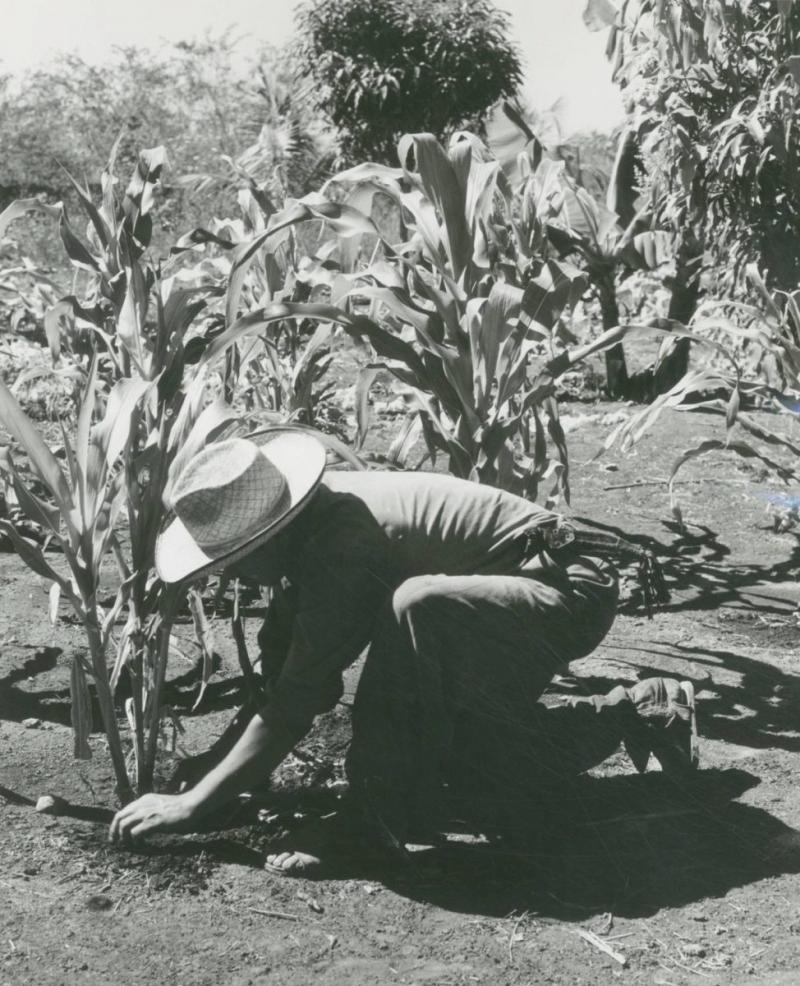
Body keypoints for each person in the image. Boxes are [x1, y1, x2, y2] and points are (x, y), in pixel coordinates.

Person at [109, 432, 698, 873]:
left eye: (234, 557)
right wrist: (216, 774)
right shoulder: (308, 540)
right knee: (472, 776)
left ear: (270, 536)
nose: (230, 572)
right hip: (492, 607)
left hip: (566, 592)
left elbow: (298, 701)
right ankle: (645, 710)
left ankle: (368, 825)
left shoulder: (338, 547)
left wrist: (194, 805)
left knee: (414, 606)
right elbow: (283, 675)